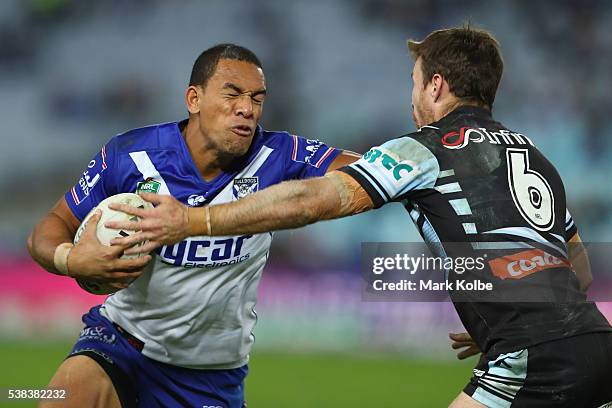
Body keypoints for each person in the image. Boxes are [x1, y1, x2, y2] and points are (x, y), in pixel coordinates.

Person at [110, 27, 612, 407]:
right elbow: (579, 271)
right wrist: (498, 306)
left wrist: (193, 222)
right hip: (596, 344)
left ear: (436, 85)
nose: (412, 96)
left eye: (414, 83)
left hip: (532, 355)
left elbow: (308, 201)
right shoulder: (533, 155)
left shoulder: (425, 150)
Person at [27, 43, 359, 408]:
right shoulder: (130, 156)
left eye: (256, 98)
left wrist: (421, 154)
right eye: (232, 94)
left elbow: (367, 174)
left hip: (210, 377)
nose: (247, 109)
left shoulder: (279, 156)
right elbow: (51, 227)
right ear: (194, 99)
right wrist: (71, 260)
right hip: (119, 346)